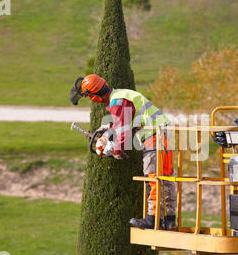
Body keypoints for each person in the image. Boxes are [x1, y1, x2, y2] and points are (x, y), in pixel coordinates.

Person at [69, 74, 177, 230]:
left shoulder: (117, 103)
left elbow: (123, 129)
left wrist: (117, 151)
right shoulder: (120, 96)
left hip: (154, 136)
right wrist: (108, 128)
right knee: (165, 177)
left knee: (153, 178)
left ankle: (153, 219)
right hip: (162, 131)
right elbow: (125, 121)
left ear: (94, 97)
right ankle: (169, 219)